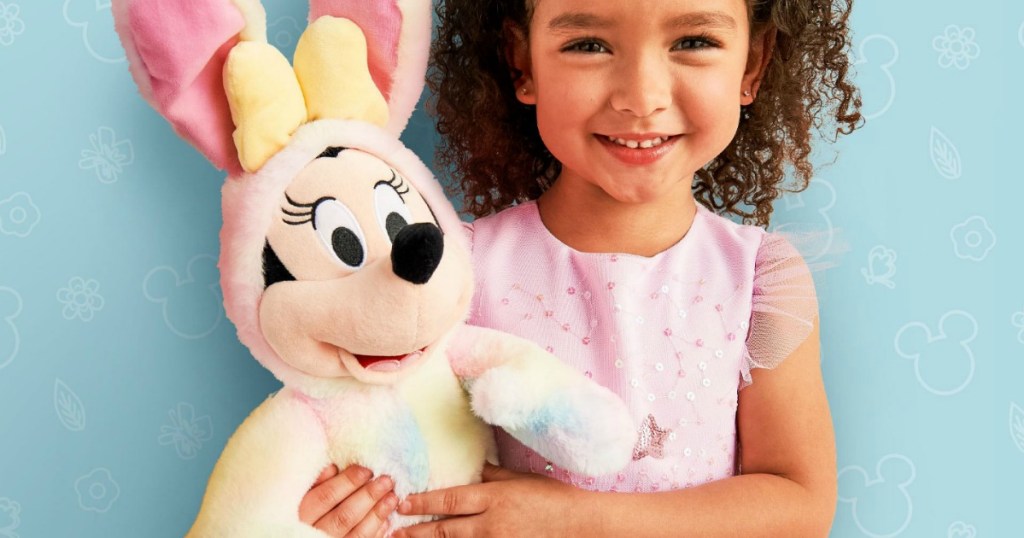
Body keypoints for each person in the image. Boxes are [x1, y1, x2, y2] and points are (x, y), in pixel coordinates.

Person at [298, 0, 863, 535]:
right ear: (522, 63)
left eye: (694, 41)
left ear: (754, 64)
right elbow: (379, 448)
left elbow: (800, 505)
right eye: (589, 44)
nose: (641, 98)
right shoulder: (452, 272)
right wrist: (342, 506)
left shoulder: (761, 279)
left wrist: (574, 523)